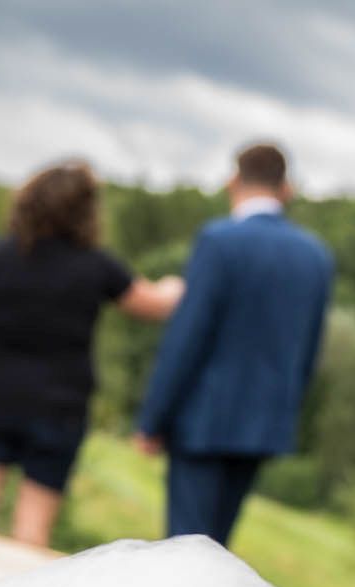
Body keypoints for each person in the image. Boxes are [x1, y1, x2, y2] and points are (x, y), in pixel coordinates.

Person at [0, 161, 184, 547]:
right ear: (87, 212)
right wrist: (175, 285)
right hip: (59, 407)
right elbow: (153, 305)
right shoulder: (97, 266)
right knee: (32, 528)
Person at [131, 143, 334, 547]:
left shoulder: (219, 241)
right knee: (218, 549)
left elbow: (187, 337)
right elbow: (309, 352)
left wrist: (153, 418)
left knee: (185, 549)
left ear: (232, 181)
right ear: (286, 188)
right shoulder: (315, 256)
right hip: (265, 425)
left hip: (202, 421)